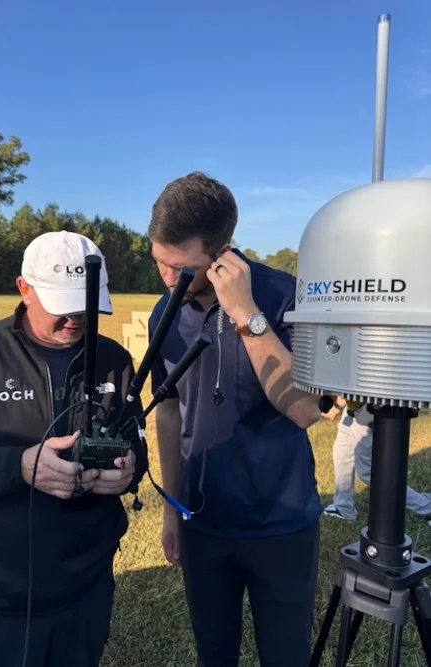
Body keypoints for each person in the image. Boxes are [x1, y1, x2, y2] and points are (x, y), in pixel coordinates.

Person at [0, 230, 146, 667]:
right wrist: (20, 466)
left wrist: (128, 471)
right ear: (24, 289)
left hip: (85, 588)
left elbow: (133, 442)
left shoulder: (114, 359)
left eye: (85, 307)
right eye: (62, 306)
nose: (76, 320)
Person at [147, 171, 323, 667]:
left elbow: (305, 409)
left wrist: (246, 313)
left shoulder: (285, 296)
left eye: (181, 268)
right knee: (213, 653)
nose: (166, 279)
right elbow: (168, 410)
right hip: (203, 520)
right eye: (159, 261)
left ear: (223, 251)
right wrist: (172, 507)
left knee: (286, 655)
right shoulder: (165, 310)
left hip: (280, 522)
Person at [323, 398, 431, 523]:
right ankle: (343, 507)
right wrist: (337, 405)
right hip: (351, 409)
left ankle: (426, 506)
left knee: (369, 472)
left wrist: (336, 404)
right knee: (342, 454)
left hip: (367, 410)